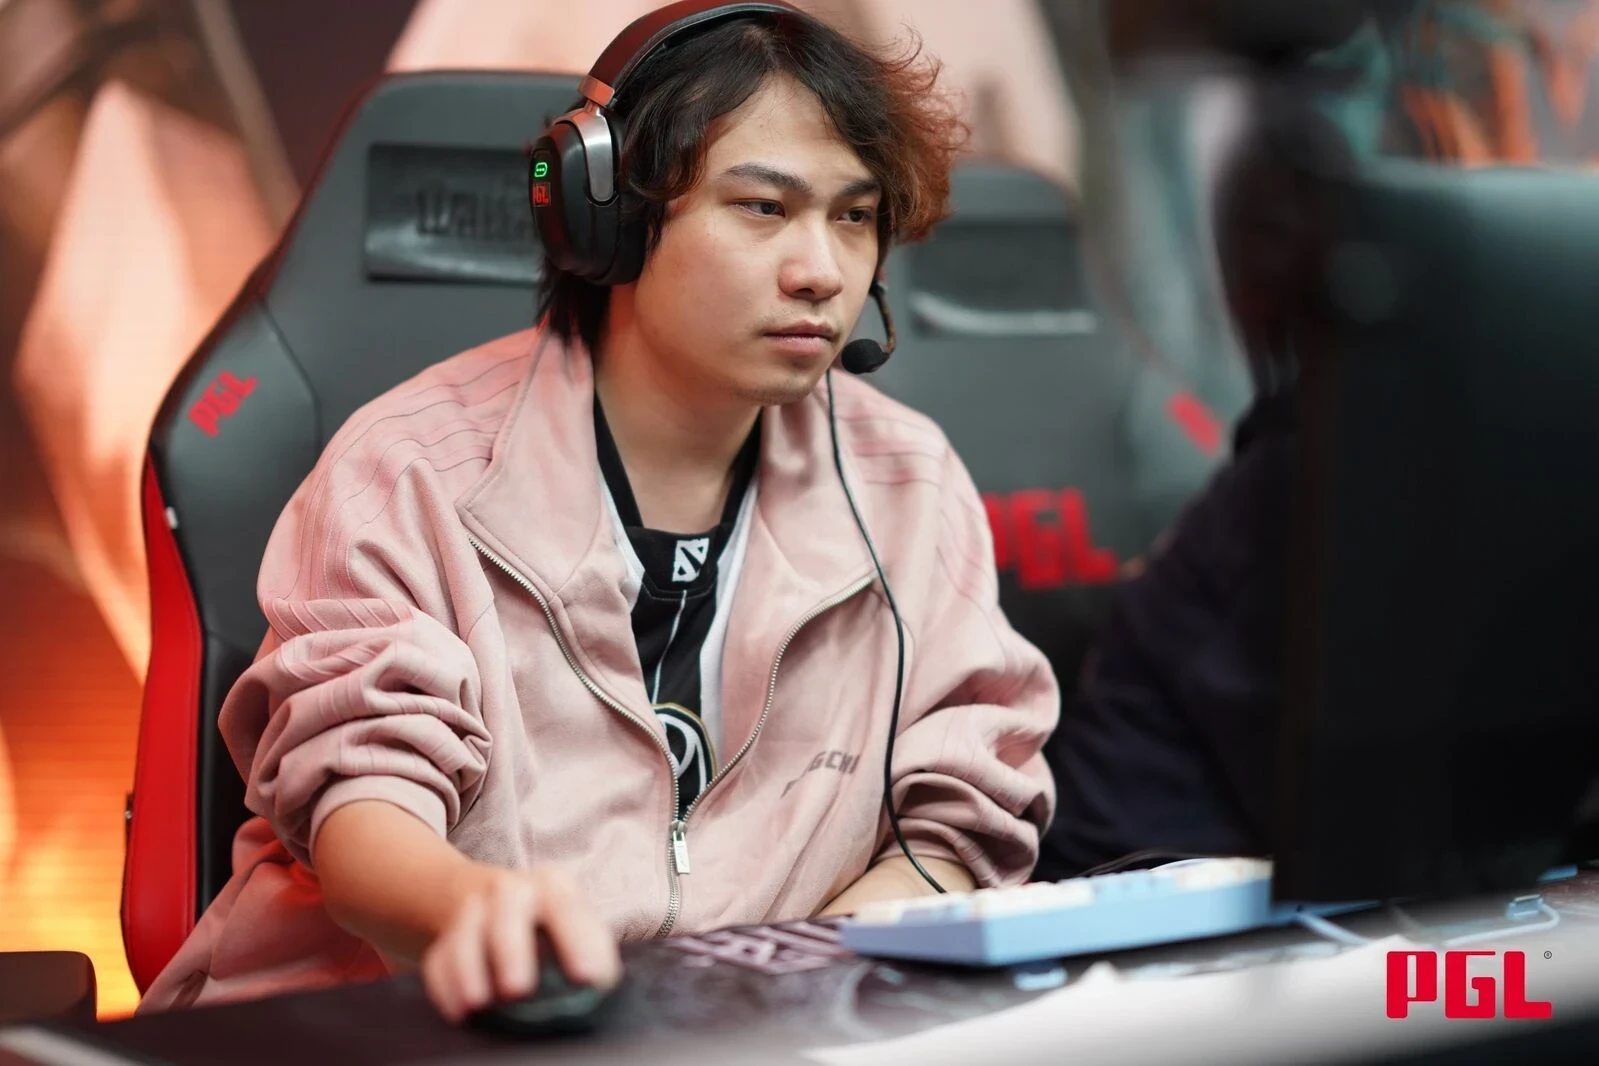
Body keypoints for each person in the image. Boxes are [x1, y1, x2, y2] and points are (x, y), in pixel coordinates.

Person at [138, 0, 1059, 1023]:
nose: (822, 272)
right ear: (607, 219)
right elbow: (359, 803)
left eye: (852, 216)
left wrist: (792, 993)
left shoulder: (907, 483)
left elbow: (955, 816)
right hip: (391, 1022)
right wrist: (476, 916)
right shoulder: (409, 469)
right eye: (763, 207)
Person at [1035, 0, 1599, 882]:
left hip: (1409, 915)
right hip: (1166, 926)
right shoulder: (1340, 478)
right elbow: (1430, 814)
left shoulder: (1520, 439)